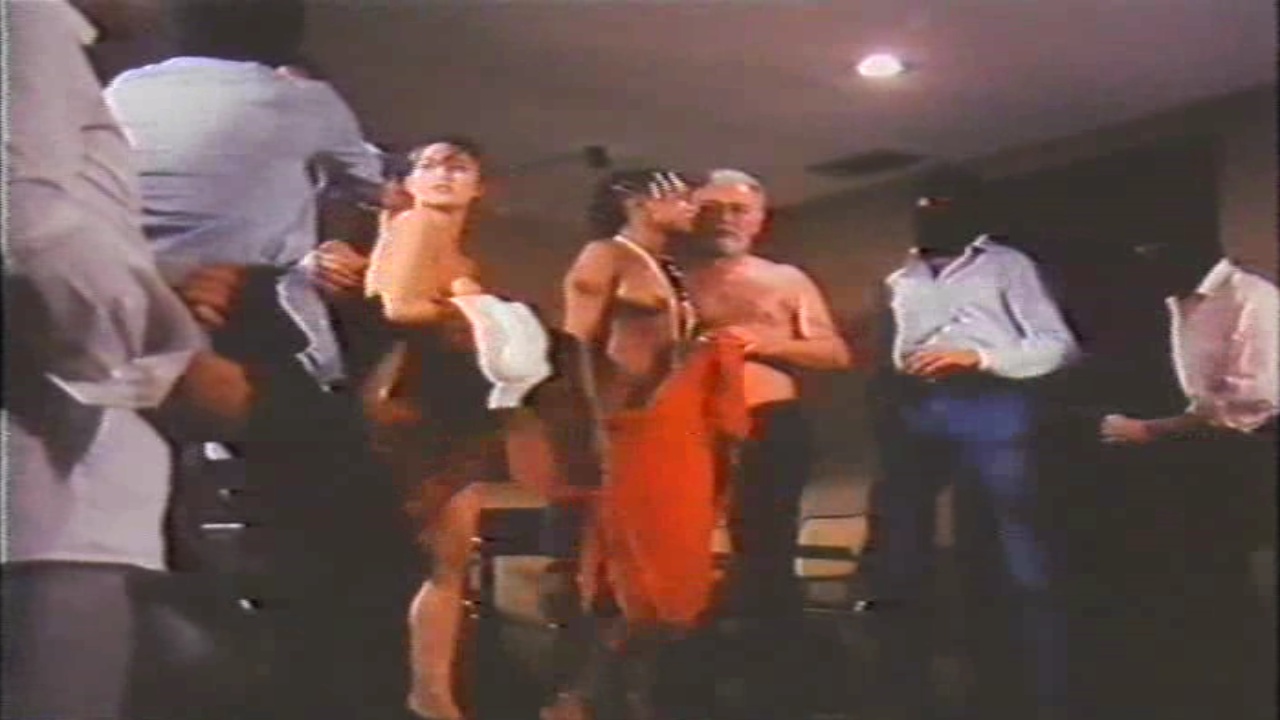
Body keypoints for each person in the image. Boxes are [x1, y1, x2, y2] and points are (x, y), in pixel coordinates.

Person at [103, 3, 417, 717]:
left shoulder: (124, 91)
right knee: (358, 512)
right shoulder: (299, 99)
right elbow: (382, 186)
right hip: (236, 307)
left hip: (126, 313)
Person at [2, 2, 253, 718]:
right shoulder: (23, 23)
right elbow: (24, 228)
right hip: (49, 498)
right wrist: (167, 361)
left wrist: (156, 284)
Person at [362, 137, 602, 720]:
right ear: (410, 182)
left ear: (479, 186)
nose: (443, 174)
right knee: (428, 556)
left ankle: (433, 693)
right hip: (409, 403)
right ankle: (425, 694)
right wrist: (480, 312)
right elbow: (395, 304)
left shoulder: (456, 250)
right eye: (429, 165)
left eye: (458, 166)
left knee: (448, 560)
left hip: (448, 408)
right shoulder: (417, 225)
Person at [864, 166, 1079, 720]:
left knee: (1015, 547)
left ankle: (1047, 693)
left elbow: (1057, 346)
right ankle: (903, 690)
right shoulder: (901, 278)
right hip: (919, 408)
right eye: (923, 205)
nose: (931, 215)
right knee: (899, 546)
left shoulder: (1007, 264)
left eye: (943, 204)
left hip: (992, 402)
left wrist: (977, 357)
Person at [540, 169, 751, 720]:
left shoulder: (670, 268)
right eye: (677, 195)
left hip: (678, 436)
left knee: (678, 582)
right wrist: (589, 431)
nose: (690, 206)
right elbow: (575, 347)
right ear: (636, 202)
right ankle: (578, 700)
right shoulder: (604, 255)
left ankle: (635, 700)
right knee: (632, 577)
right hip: (627, 430)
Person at [682, 168, 852, 716]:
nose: (726, 219)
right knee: (684, 547)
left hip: (771, 422)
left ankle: (782, 683)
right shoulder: (669, 276)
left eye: (739, 209)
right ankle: (690, 679)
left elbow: (834, 352)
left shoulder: (785, 279)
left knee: (767, 547)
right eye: (714, 209)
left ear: (759, 219)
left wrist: (762, 341)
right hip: (690, 427)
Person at [1089, 241, 1277, 720]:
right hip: (1207, 456)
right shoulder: (1179, 301)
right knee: (1209, 584)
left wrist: (1152, 430)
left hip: (1253, 452)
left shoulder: (1252, 296)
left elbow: (1258, 399)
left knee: (1243, 580)